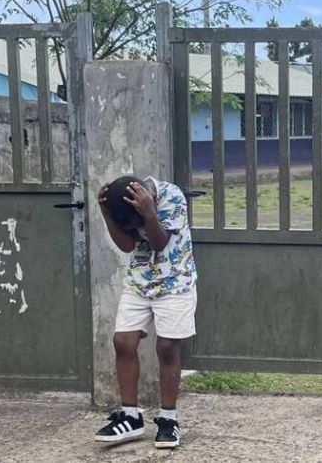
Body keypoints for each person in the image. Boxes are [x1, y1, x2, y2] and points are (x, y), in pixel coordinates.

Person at [93, 175, 197, 450]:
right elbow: (128, 246)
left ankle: (168, 419)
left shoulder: (172, 196)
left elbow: (160, 242)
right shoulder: (122, 205)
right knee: (122, 342)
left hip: (176, 281)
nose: (134, 230)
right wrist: (106, 213)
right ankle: (130, 417)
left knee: (167, 347)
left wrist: (149, 214)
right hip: (140, 282)